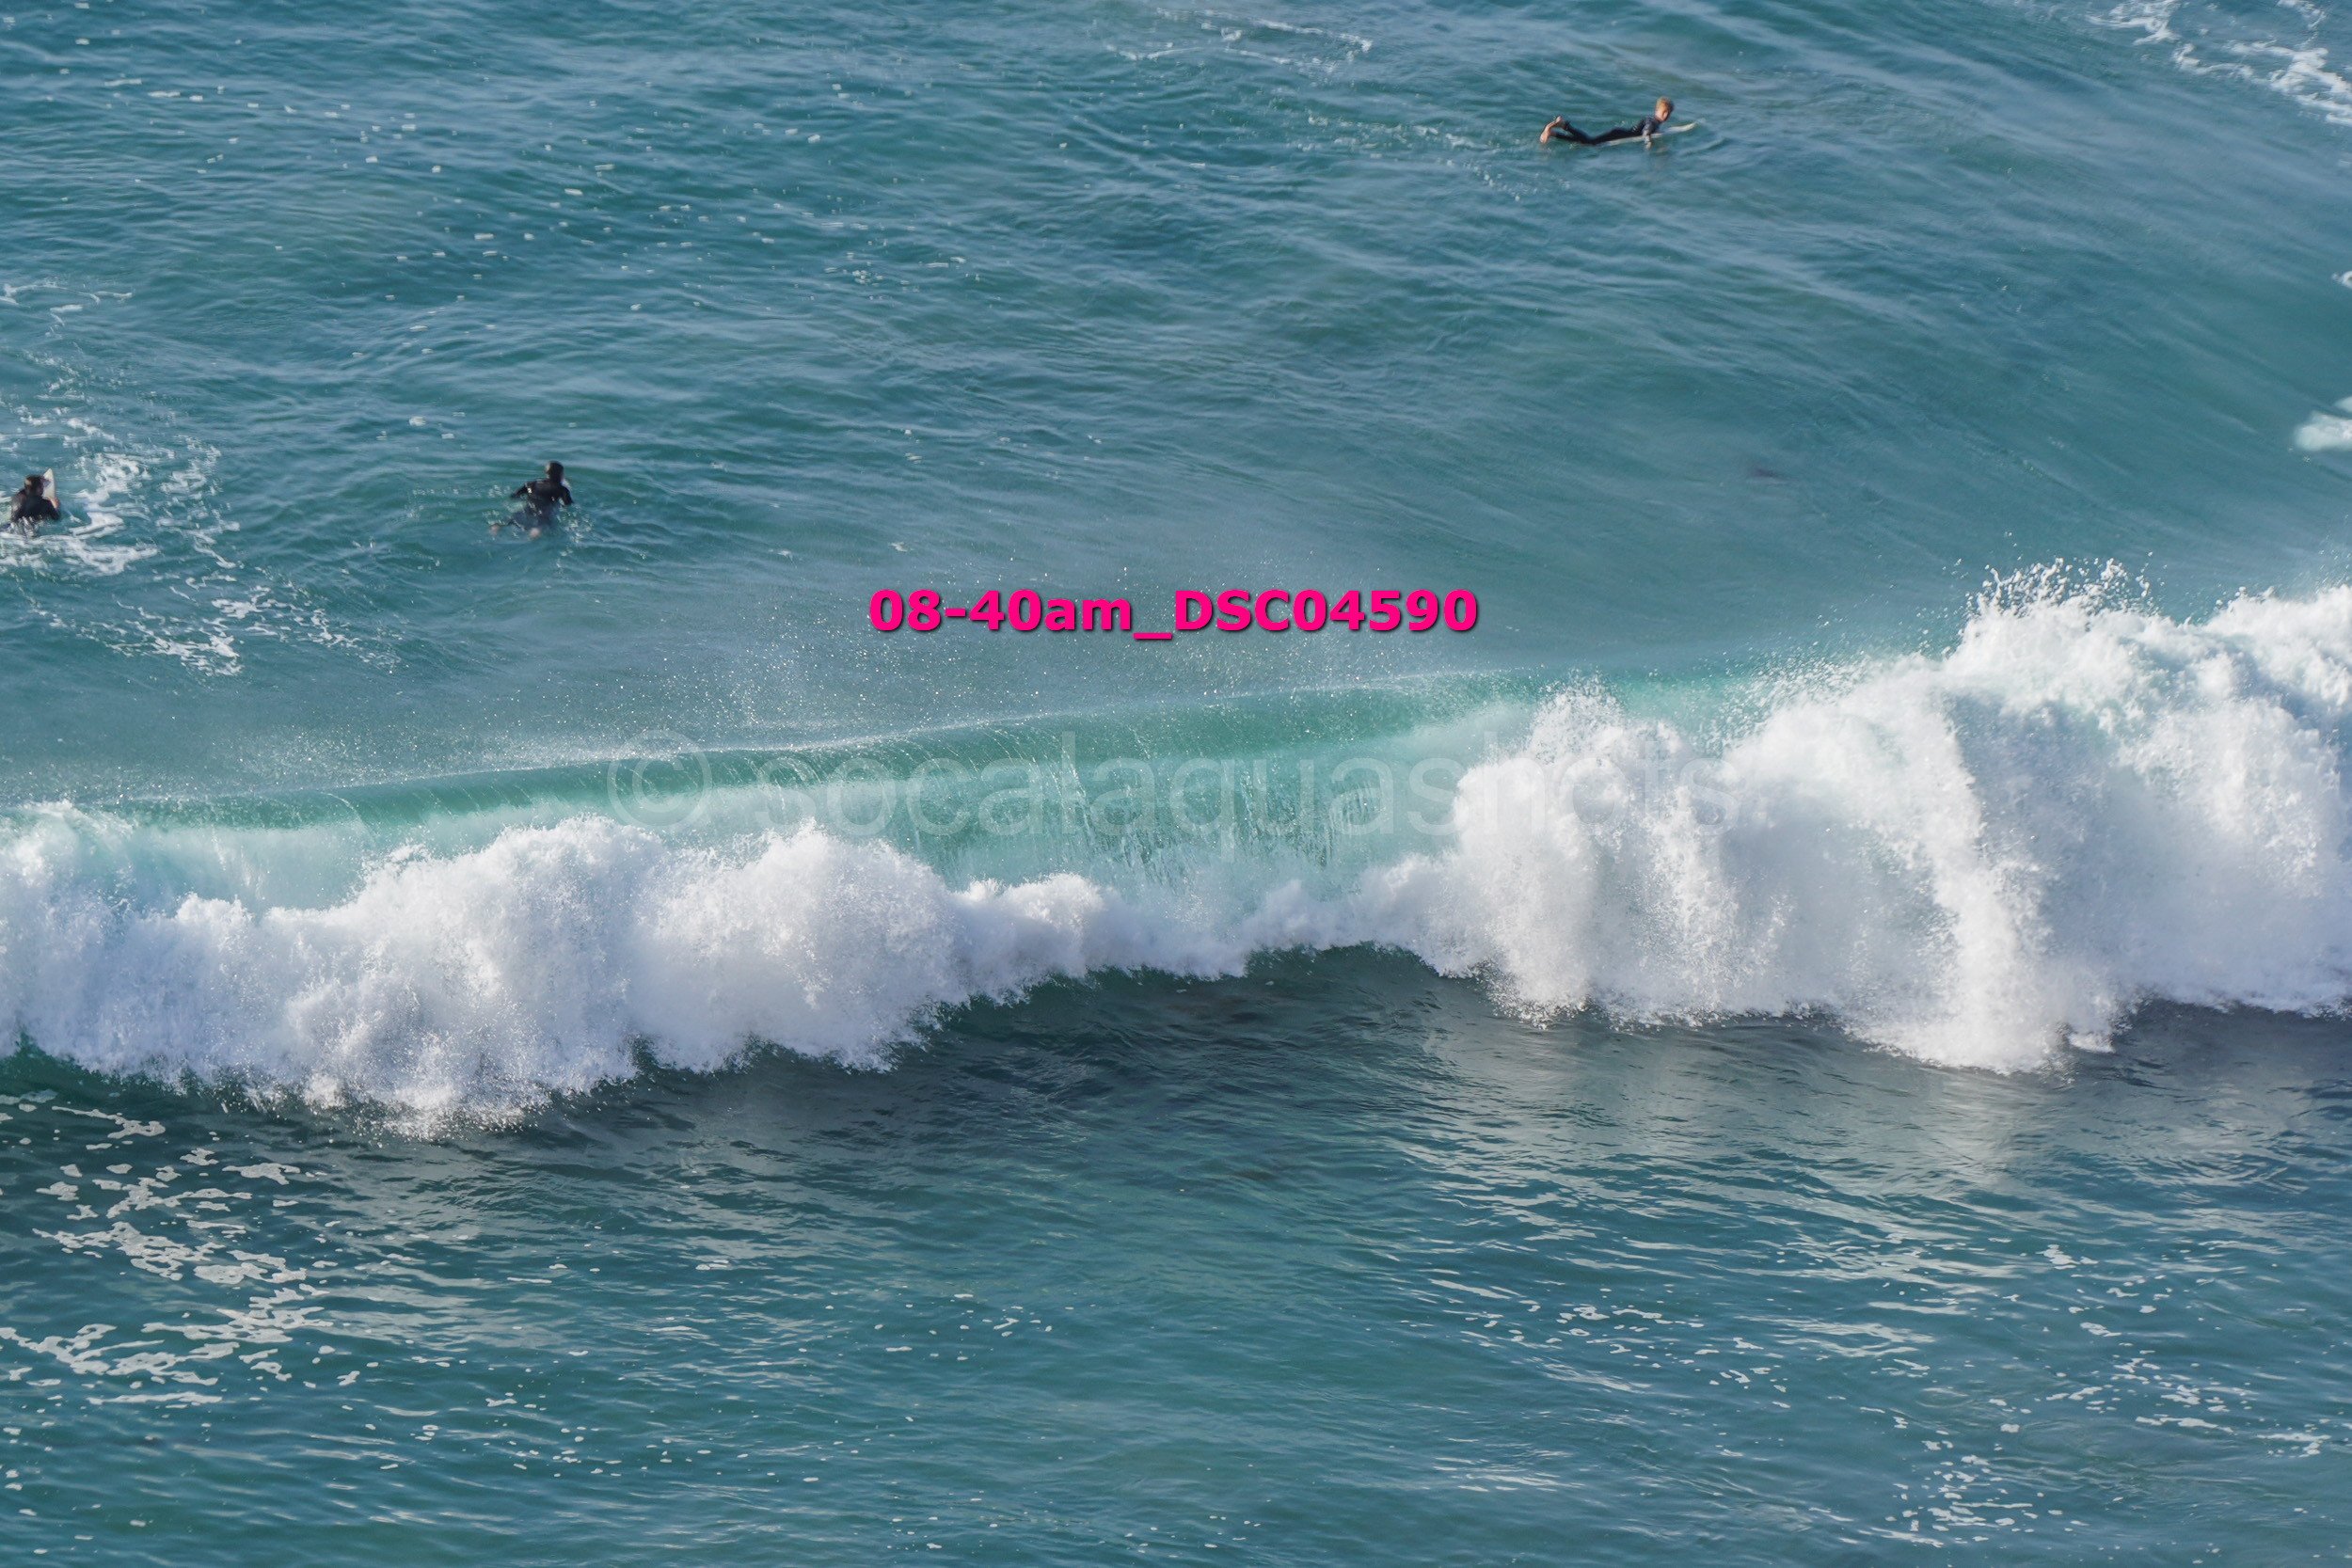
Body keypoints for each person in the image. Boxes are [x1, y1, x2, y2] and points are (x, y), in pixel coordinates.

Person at [1543, 97, 1674, 148]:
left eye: (1668, 113)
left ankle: (1555, 133)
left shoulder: (1652, 120)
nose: (1666, 115)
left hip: (1619, 133)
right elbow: (1647, 131)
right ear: (1656, 110)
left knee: (1587, 142)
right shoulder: (1653, 122)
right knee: (1591, 143)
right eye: (1664, 112)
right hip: (1618, 134)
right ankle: (1564, 125)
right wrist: (1649, 142)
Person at [503, 461, 574, 535]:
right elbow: (568, 504)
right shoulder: (562, 489)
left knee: (513, 519)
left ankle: (497, 526)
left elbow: (514, 496)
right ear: (561, 475)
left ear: (546, 473)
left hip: (530, 505)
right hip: (544, 510)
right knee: (543, 524)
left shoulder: (531, 484)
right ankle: (533, 534)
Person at [9, 472, 58, 536]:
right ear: (38, 489)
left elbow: (27, 487)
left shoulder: (16, 497)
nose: (43, 488)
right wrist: (55, 506)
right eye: (42, 486)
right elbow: (56, 518)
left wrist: (37, 480)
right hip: (31, 529)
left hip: (11, 526)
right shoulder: (45, 503)